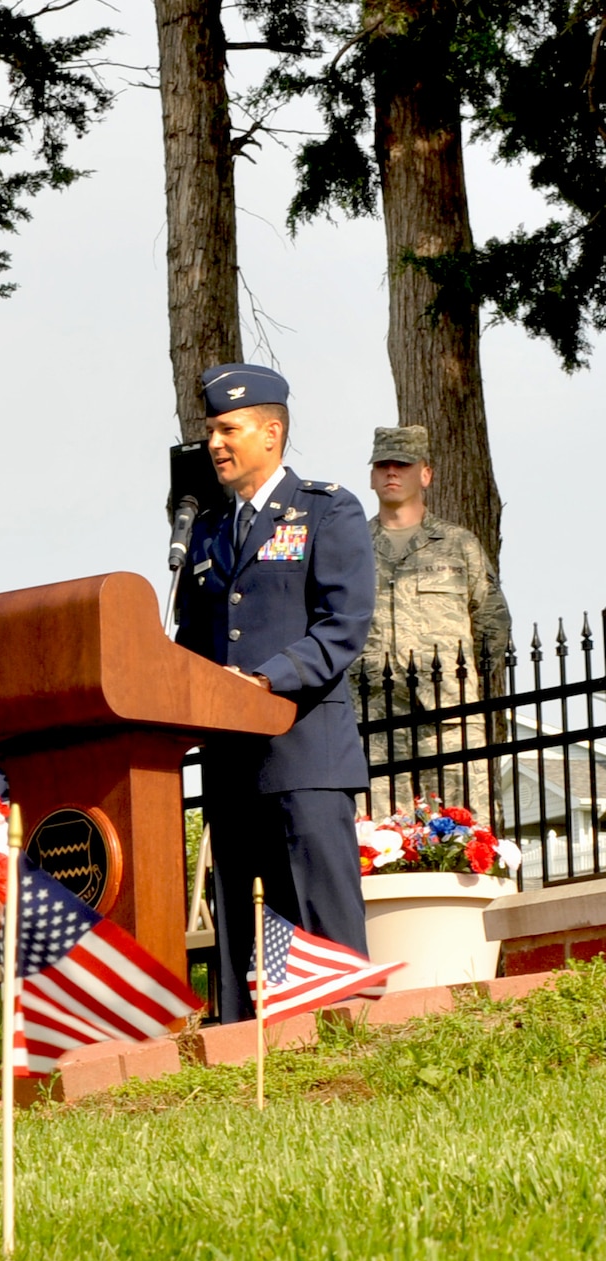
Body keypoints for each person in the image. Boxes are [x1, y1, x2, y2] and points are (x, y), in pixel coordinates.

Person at [173, 363, 376, 1024]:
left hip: (304, 755)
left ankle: (349, 1044)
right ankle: (246, 1051)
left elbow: (342, 627)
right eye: (210, 430)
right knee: (242, 929)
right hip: (232, 765)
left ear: (271, 431)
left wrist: (264, 680)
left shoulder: (328, 509)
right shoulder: (205, 531)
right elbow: (195, 641)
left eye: (228, 428)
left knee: (322, 922)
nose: (215, 443)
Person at [358, 426, 511, 822]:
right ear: (372, 476)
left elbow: (492, 624)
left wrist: (459, 682)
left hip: (450, 718)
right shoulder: (351, 547)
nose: (392, 473)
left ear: (425, 474)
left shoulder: (458, 545)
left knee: (462, 828)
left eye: (403, 465)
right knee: (380, 838)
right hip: (375, 721)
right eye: (383, 465)